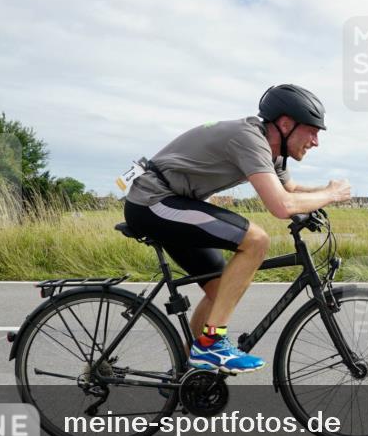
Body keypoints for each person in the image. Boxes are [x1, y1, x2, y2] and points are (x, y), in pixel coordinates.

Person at [123, 84, 351, 374]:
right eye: (313, 131)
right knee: (256, 240)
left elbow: (289, 189)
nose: (316, 141)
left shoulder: (273, 151)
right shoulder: (249, 139)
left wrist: (326, 192)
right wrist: (330, 195)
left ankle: (185, 373)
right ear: (285, 124)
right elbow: (281, 206)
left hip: (174, 203)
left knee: (221, 289)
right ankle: (210, 345)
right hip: (152, 202)